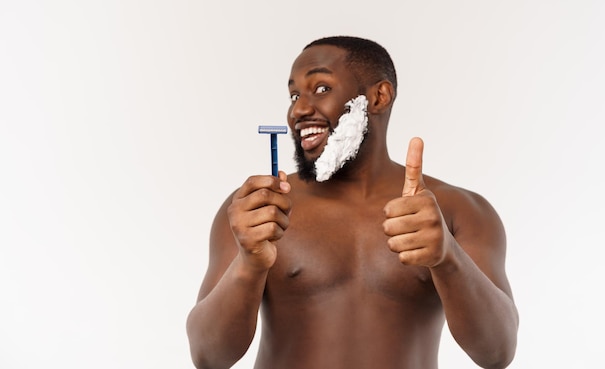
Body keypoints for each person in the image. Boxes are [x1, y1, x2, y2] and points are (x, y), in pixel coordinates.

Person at [186, 36, 519, 369]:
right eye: (294, 95)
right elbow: (207, 357)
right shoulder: (258, 211)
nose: (298, 110)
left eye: (321, 89)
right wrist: (249, 264)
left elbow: (497, 353)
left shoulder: (458, 211)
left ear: (378, 96)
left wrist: (448, 258)